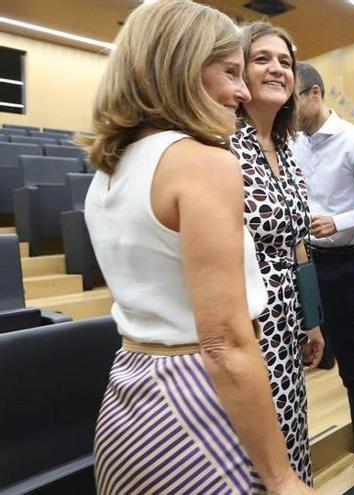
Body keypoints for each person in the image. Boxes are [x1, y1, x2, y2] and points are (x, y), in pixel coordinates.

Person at [84, 2, 313, 494]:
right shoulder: (203, 162)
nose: (242, 91)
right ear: (181, 68)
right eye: (231, 71)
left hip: (129, 391)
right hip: (196, 401)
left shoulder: (110, 168)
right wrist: (281, 478)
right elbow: (225, 344)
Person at [230, 21, 324, 485]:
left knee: (290, 442)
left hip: (288, 324)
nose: (276, 69)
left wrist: (312, 317)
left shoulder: (286, 149)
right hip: (245, 325)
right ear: (239, 71)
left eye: (285, 62)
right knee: (254, 458)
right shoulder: (223, 142)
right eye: (262, 59)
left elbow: (298, 242)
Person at [291, 62, 354, 478]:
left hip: (344, 262)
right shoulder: (291, 142)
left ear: (313, 93)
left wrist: (340, 221)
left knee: (353, 364)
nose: (285, 110)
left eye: (292, 100)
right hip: (300, 261)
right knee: (293, 361)